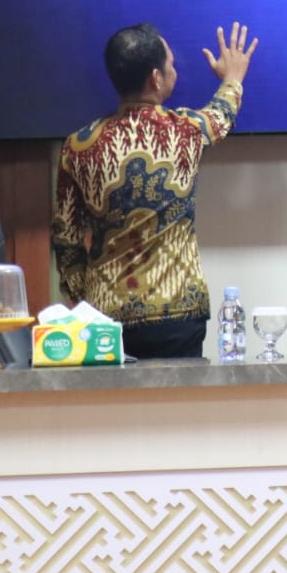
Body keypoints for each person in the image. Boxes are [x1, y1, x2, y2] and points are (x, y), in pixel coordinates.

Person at [51, 22, 258, 360]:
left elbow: (65, 237)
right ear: (155, 78)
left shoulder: (77, 146)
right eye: (171, 64)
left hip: (104, 319)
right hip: (179, 315)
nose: (174, 70)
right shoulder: (186, 131)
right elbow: (222, 115)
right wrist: (233, 77)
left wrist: (82, 302)